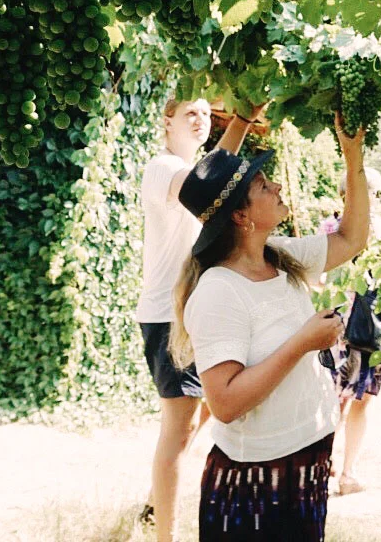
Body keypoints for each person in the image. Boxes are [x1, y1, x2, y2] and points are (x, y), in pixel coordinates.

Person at [172, 115, 369, 542]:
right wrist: (302, 342)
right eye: (264, 185)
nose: (277, 187)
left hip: (303, 464)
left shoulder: (276, 254)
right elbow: (223, 402)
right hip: (256, 483)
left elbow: (352, 239)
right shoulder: (219, 291)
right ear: (241, 216)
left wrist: (352, 156)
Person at [134, 98, 258, 542]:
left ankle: (153, 502)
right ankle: (163, 533)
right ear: (166, 121)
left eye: (207, 114)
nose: (201, 120)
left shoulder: (189, 169)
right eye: (190, 113)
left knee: (207, 410)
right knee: (181, 428)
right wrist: (242, 122)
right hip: (170, 316)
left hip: (196, 313)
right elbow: (208, 188)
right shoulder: (163, 167)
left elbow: (215, 179)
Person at [320, 167, 381, 496]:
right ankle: (339, 470)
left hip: (349, 325)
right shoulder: (344, 228)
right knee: (348, 400)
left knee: (347, 400)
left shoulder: (337, 227)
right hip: (353, 327)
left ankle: (338, 469)